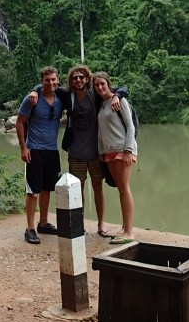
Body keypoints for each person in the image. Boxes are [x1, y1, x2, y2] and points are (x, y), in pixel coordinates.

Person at [28, 65, 121, 237]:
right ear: (71, 81)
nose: (78, 80)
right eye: (75, 78)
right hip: (76, 153)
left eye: (82, 77)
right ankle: (80, 224)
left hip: (96, 152)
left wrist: (116, 95)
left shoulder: (95, 95)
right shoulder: (66, 95)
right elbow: (48, 85)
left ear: (87, 79)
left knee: (98, 188)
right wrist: (34, 90)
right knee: (77, 191)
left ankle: (101, 225)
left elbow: (121, 89)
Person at [16, 66, 64, 245]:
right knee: (33, 191)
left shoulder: (61, 98)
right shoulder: (32, 100)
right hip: (34, 149)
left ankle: (43, 222)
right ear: (41, 81)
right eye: (46, 80)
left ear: (58, 80)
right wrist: (23, 147)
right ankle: (30, 228)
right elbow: (20, 123)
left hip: (52, 150)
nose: (50, 83)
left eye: (53, 79)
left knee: (46, 188)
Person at [93, 71, 137, 245]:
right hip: (109, 153)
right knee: (121, 189)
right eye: (96, 85)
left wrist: (128, 150)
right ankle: (125, 228)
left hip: (122, 150)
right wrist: (101, 152)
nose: (100, 87)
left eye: (102, 84)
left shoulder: (120, 100)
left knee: (125, 188)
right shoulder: (102, 104)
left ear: (108, 84)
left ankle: (129, 232)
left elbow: (130, 126)